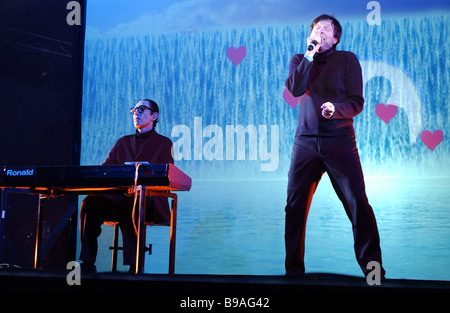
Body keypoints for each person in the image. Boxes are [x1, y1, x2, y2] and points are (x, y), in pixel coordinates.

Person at [284, 14, 385, 278]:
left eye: (327, 29)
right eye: (317, 28)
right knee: (294, 208)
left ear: (336, 37)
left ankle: (373, 272)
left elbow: (357, 102)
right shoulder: (300, 60)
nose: (321, 31)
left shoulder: (347, 60)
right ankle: (293, 273)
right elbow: (295, 89)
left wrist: (336, 109)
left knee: (357, 204)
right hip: (305, 142)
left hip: (339, 141)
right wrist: (309, 55)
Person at [79, 99, 174, 273]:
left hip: (148, 201)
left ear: (155, 116)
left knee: (132, 202)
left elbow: (166, 173)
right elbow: (104, 170)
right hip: (119, 201)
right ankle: (87, 261)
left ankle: (135, 264)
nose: (136, 113)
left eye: (142, 109)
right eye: (134, 110)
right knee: (90, 202)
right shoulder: (123, 142)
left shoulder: (164, 143)